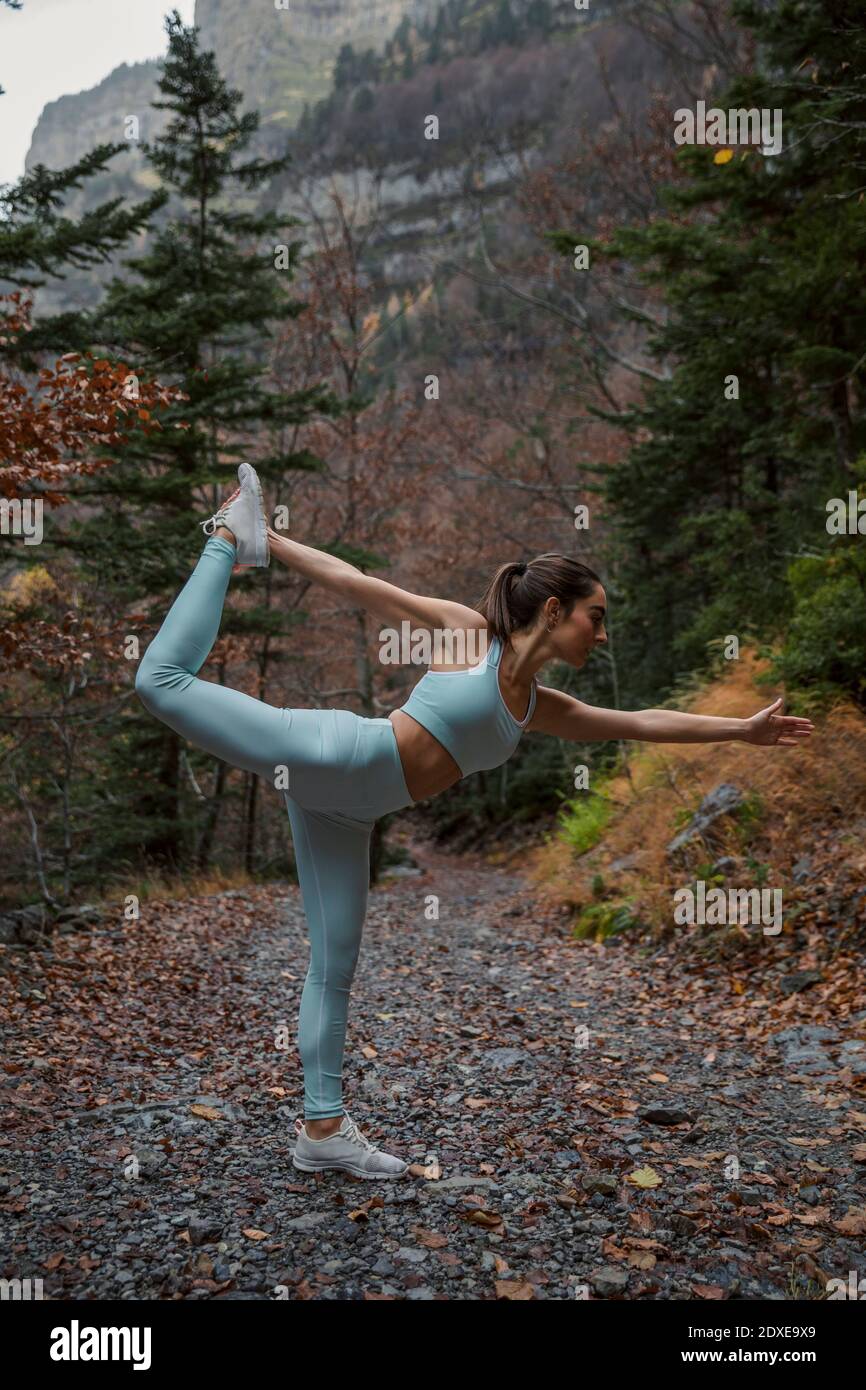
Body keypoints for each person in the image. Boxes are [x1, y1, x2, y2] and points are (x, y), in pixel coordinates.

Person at [135, 464, 815, 1178]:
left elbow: (641, 721)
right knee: (160, 681)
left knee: (333, 969)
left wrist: (741, 730)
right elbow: (360, 585)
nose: (603, 634)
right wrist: (261, 539)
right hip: (333, 753)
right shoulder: (469, 636)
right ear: (553, 610)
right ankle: (222, 535)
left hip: (350, 812)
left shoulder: (536, 706)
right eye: (597, 616)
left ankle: (322, 1129)